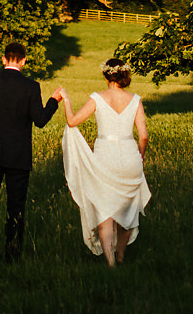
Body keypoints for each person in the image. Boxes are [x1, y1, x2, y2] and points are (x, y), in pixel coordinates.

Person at [0, 41, 65, 267]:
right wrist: (53, 101)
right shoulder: (31, 86)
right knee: (16, 205)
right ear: (23, 61)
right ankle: (12, 253)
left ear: (3, 59)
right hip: (18, 156)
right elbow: (40, 121)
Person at [61, 57, 151, 267]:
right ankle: (120, 256)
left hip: (105, 158)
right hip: (130, 157)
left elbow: (72, 121)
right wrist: (141, 154)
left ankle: (110, 263)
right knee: (128, 209)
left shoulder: (97, 98)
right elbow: (144, 135)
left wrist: (66, 99)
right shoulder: (135, 99)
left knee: (104, 210)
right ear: (124, 75)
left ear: (105, 75)